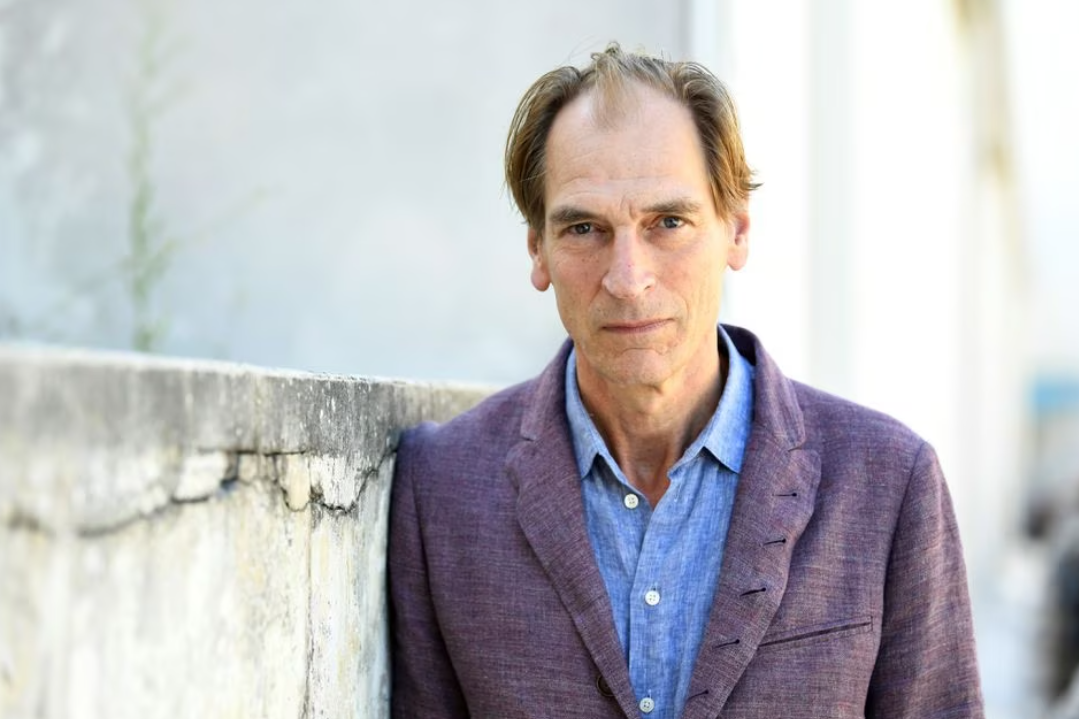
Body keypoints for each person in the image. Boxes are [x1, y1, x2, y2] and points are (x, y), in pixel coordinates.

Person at [388, 42, 984, 718]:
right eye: (584, 228)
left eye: (667, 222)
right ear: (537, 249)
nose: (628, 277)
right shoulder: (442, 489)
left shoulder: (886, 481)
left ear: (736, 231)